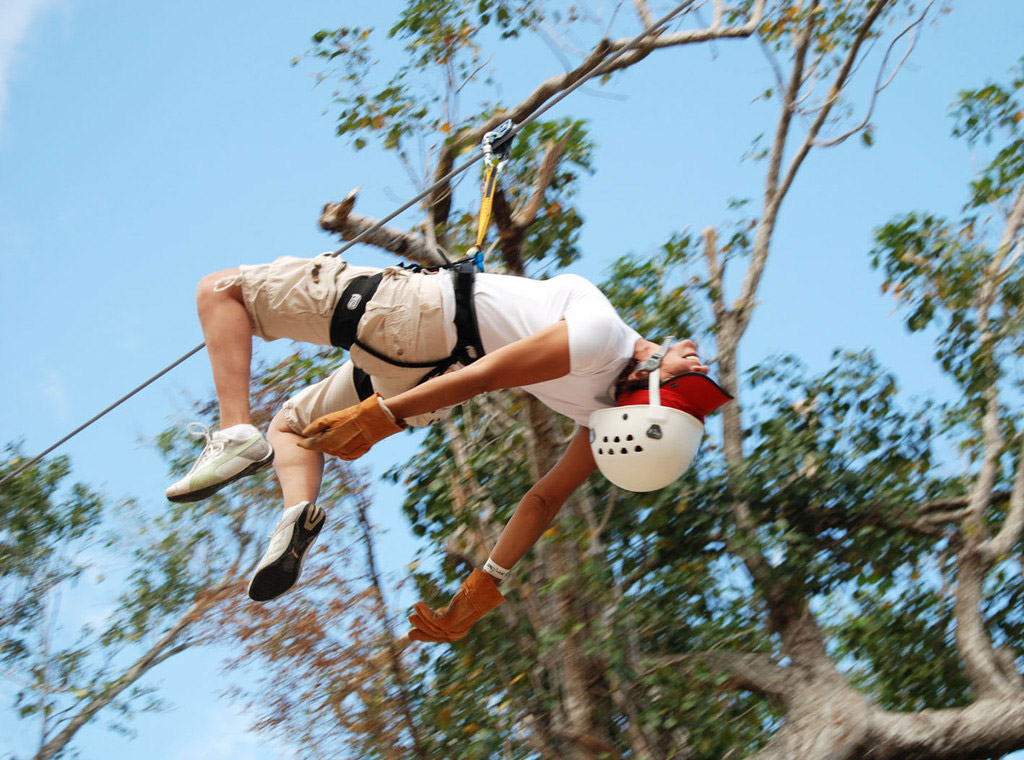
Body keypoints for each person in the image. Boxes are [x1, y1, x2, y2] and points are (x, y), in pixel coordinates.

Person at [167, 251, 719, 641]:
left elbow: (488, 377)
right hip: (429, 382)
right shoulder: (603, 417)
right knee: (289, 429)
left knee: (221, 291)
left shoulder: (602, 336)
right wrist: (482, 589)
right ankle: (296, 514)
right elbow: (542, 501)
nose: (698, 363)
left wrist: (379, 416)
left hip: (416, 323)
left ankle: (233, 430)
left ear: (643, 387)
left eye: (684, 384)